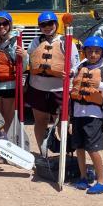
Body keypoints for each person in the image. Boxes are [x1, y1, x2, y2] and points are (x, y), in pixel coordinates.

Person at [70, 36, 103, 195]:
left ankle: (101, 181)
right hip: (77, 113)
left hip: (94, 115)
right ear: (85, 52)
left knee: (92, 149)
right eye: (89, 51)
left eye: (96, 51)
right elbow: (72, 81)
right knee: (79, 147)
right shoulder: (81, 66)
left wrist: (100, 85)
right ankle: (83, 176)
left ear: (102, 53)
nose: (93, 54)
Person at [26, 11, 79, 149]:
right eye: (43, 25)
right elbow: (29, 60)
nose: (47, 27)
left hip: (59, 89)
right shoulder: (36, 42)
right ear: (40, 27)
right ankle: (42, 152)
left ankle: (64, 153)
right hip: (38, 88)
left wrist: (71, 72)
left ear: (56, 24)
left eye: (50, 23)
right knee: (40, 121)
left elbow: (76, 64)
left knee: (62, 122)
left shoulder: (66, 41)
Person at [0, 11, 27, 133]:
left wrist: (24, 56)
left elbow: (23, 68)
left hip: (9, 86)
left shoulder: (16, 42)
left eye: (4, 23)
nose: (1, 26)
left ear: (10, 25)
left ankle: (6, 140)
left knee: (7, 119)